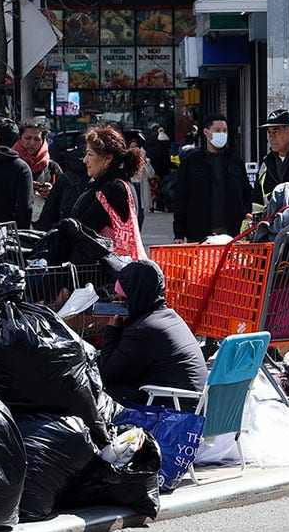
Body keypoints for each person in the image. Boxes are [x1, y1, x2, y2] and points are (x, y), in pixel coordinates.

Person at [98, 260, 208, 404]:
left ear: (135, 297)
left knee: (102, 392)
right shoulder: (169, 316)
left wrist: (113, 328)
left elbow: (108, 373)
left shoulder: (143, 330)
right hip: (193, 404)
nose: (119, 302)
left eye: (123, 299)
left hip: (177, 412)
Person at [68, 123, 147, 259]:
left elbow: (82, 228)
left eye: (89, 154)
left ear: (108, 159)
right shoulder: (120, 183)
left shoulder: (113, 189)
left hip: (106, 272)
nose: (85, 160)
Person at [171, 114, 251, 243]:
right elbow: (180, 198)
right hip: (198, 233)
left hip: (231, 233)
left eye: (224, 131)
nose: (222, 134)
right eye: (217, 130)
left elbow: (246, 193)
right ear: (206, 132)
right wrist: (178, 233)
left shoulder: (235, 162)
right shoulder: (191, 162)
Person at [145, 123, 173, 211]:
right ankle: (160, 206)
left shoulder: (148, 143)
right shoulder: (160, 147)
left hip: (152, 171)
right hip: (161, 171)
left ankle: (155, 206)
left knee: (154, 190)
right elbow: (165, 160)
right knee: (161, 189)